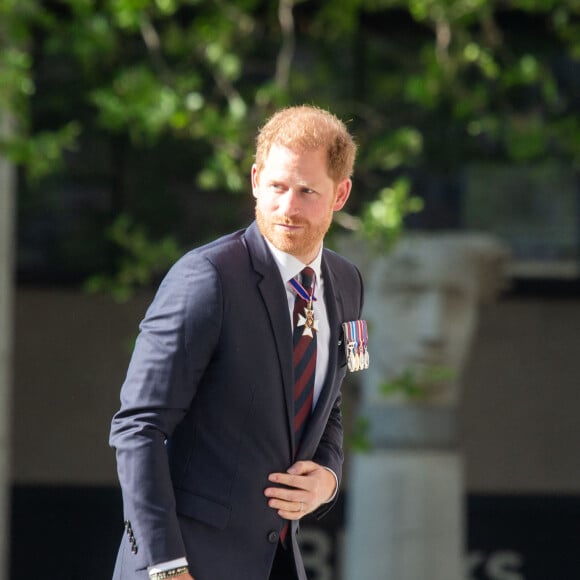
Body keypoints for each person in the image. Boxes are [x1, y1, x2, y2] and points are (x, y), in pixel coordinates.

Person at [110, 105, 365, 580]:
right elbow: (138, 428)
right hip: (186, 565)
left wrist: (327, 478)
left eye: (308, 191)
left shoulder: (347, 283)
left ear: (340, 194)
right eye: (277, 187)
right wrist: (165, 567)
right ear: (254, 180)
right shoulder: (206, 278)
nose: (287, 207)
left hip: (278, 563)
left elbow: (327, 402)